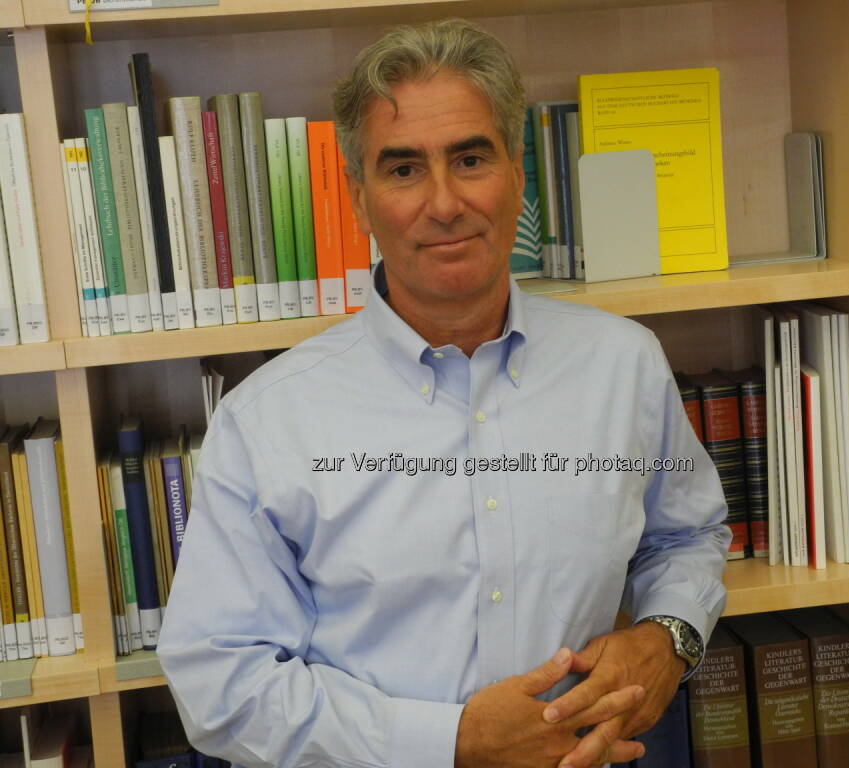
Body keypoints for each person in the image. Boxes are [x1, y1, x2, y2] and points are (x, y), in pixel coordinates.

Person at [158, 18, 730, 768]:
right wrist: (453, 742)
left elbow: (686, 536)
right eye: (402, 170)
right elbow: (220, 686)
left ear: (518, 175)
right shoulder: (266, 423)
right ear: (359, 200)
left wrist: (668, 638)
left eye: (469, 158)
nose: (445, 202)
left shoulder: (624, 366)